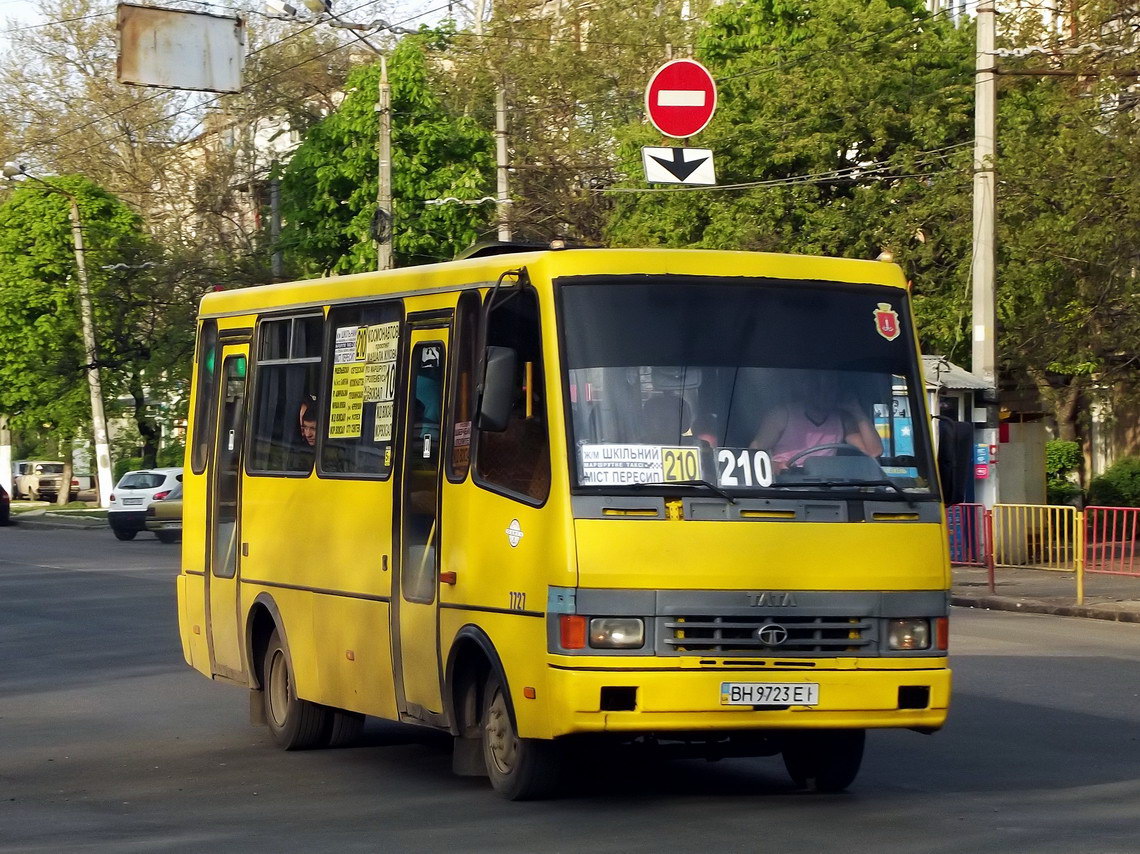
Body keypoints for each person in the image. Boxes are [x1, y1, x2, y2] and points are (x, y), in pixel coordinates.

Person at [751, 371, 883, 472]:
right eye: (818, 386)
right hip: (784, 485)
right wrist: (776, 466)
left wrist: (857, 411)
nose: (824, 392)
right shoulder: (781, 414)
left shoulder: (841, 420)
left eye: (830, 387)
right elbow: (753, 454)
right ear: (805, 388)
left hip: (824, 487)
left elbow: (874, 451)